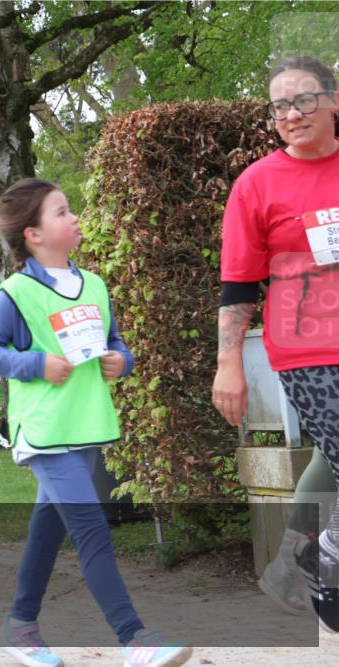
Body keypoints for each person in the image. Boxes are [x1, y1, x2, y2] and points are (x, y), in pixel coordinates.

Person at [0, 178, 192, 667]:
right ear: (34, 234)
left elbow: (112, 342)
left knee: (48, 529)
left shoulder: (94, 284)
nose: (74, 218)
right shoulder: (17, 292)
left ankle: (18, 625)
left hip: (88, 425)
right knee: (92, 529)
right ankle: (135, 638)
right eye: (62, 211)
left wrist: (122, 360)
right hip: (46, 432)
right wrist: (35, 365)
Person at [212, 55, 339, 632]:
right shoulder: (256, 184)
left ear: (333, 101)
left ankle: (301, 561)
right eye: (281, 105)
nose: (292, 113)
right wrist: (229, 364)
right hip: (308, 349)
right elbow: (238, 285)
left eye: (305, 99)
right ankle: (320, 556)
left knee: (328, 460)